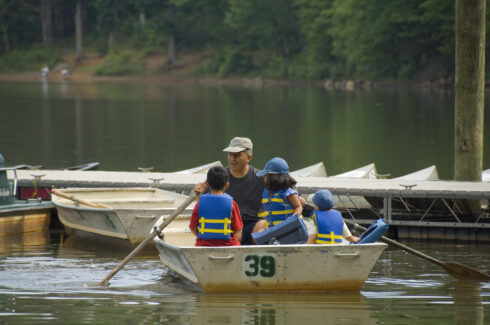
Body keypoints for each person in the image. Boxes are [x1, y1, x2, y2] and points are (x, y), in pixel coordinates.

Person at [194, 137, 266, 245]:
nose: (232, 158)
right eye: (230, 154)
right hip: (227, 225)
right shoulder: (218, 176)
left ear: (249, 158)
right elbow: (203, 203)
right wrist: (197, 194)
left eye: (237, 155)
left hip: (252, 223)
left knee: (265, 226)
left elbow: (280, 190)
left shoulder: (261, 178)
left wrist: (298, 199)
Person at [189, 166, 243, 246]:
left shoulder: (200, 203)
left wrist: (201, 236)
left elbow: (192, 227)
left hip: (204, 244)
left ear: (208, 184)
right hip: (228, 245)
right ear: (227, 185)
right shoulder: (232, 203)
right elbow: (238, 230)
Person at [256, 157, 302, 228]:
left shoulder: (288, 192)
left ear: (273, 177)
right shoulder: (267, 191)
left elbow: (298, 207)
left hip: (288, 230)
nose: (264, 177)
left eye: (265, 175)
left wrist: (291, 222)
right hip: (274, 230)